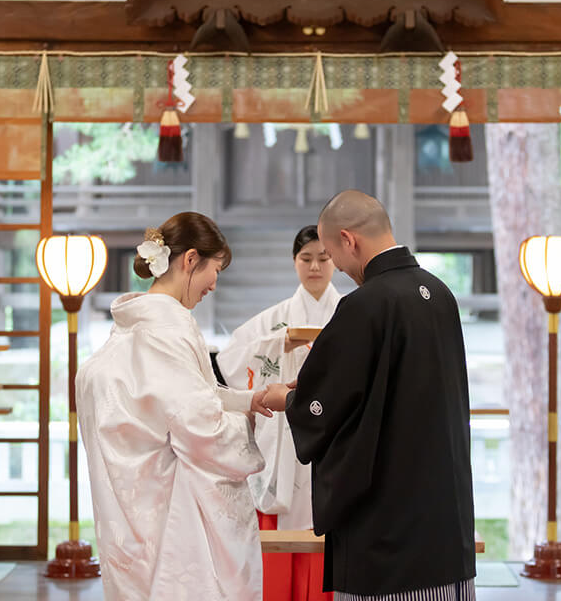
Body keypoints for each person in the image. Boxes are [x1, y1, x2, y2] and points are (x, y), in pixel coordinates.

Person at [262, 191, 476, 601]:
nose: (335, 267)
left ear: (349, 240)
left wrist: (288, 400)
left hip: (389, 530)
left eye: (330, 254)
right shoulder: (440, 294)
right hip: (446, 523)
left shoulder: (366, 305)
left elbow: (322, 407)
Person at [76, 211, 288, 601]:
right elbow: (200, 426)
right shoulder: (166, 331)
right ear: (190, 260)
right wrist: (251, 424)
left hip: (135, 501)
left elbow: (192, 393)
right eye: (216, 269)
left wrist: (251, 400)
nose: (214, 284)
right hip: (170, 507)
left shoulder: (138, 324)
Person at [217, 225, 342, 601]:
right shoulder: (274, 320)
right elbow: (230, 358)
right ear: (294, 262)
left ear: (335, 260)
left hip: (333, 437)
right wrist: (281, 341)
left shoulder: (350, 313)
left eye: (323, 258)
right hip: (283, 438)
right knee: (279, 529)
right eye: (306, 258)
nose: (315, 266)